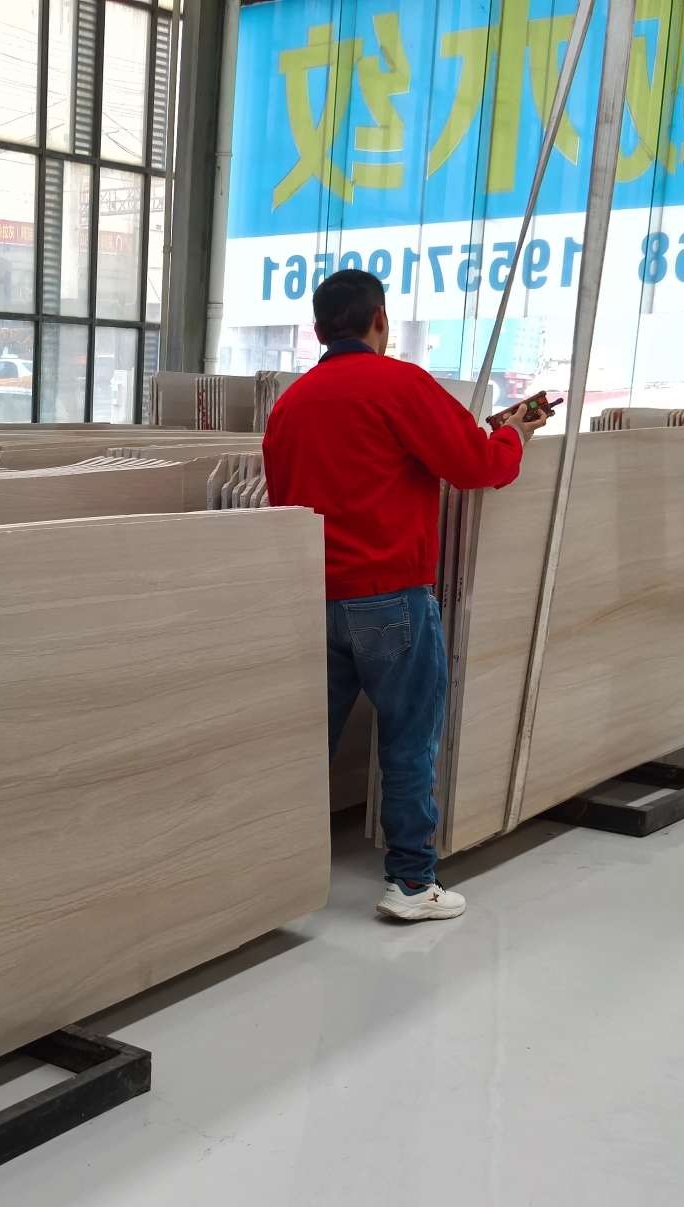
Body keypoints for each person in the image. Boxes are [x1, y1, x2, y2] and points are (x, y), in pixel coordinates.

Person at [262, 270, 546, 922]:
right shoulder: (399, 384)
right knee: (408, 743)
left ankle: (274, 883)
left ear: (318, 330)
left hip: (313, 599)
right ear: (380, 321)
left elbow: (282, 502)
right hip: (390, 599)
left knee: (305, 747)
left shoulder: (292, 404)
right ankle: (413, 885)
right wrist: (514, 435)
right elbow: (475, 467)